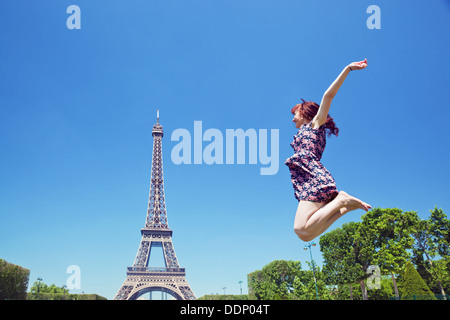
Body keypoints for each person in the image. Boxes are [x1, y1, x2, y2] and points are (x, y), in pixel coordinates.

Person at [285, 59, 372, 242]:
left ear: (305, 113)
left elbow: (328, 96)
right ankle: (343, 206)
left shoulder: (315, 125)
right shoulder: (304, 133)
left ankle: (340, 201)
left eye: (295, 114)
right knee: (305, 235)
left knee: (300, 228)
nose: (293, 119)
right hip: (310, 180)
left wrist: (348, 68)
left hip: (314, 179)